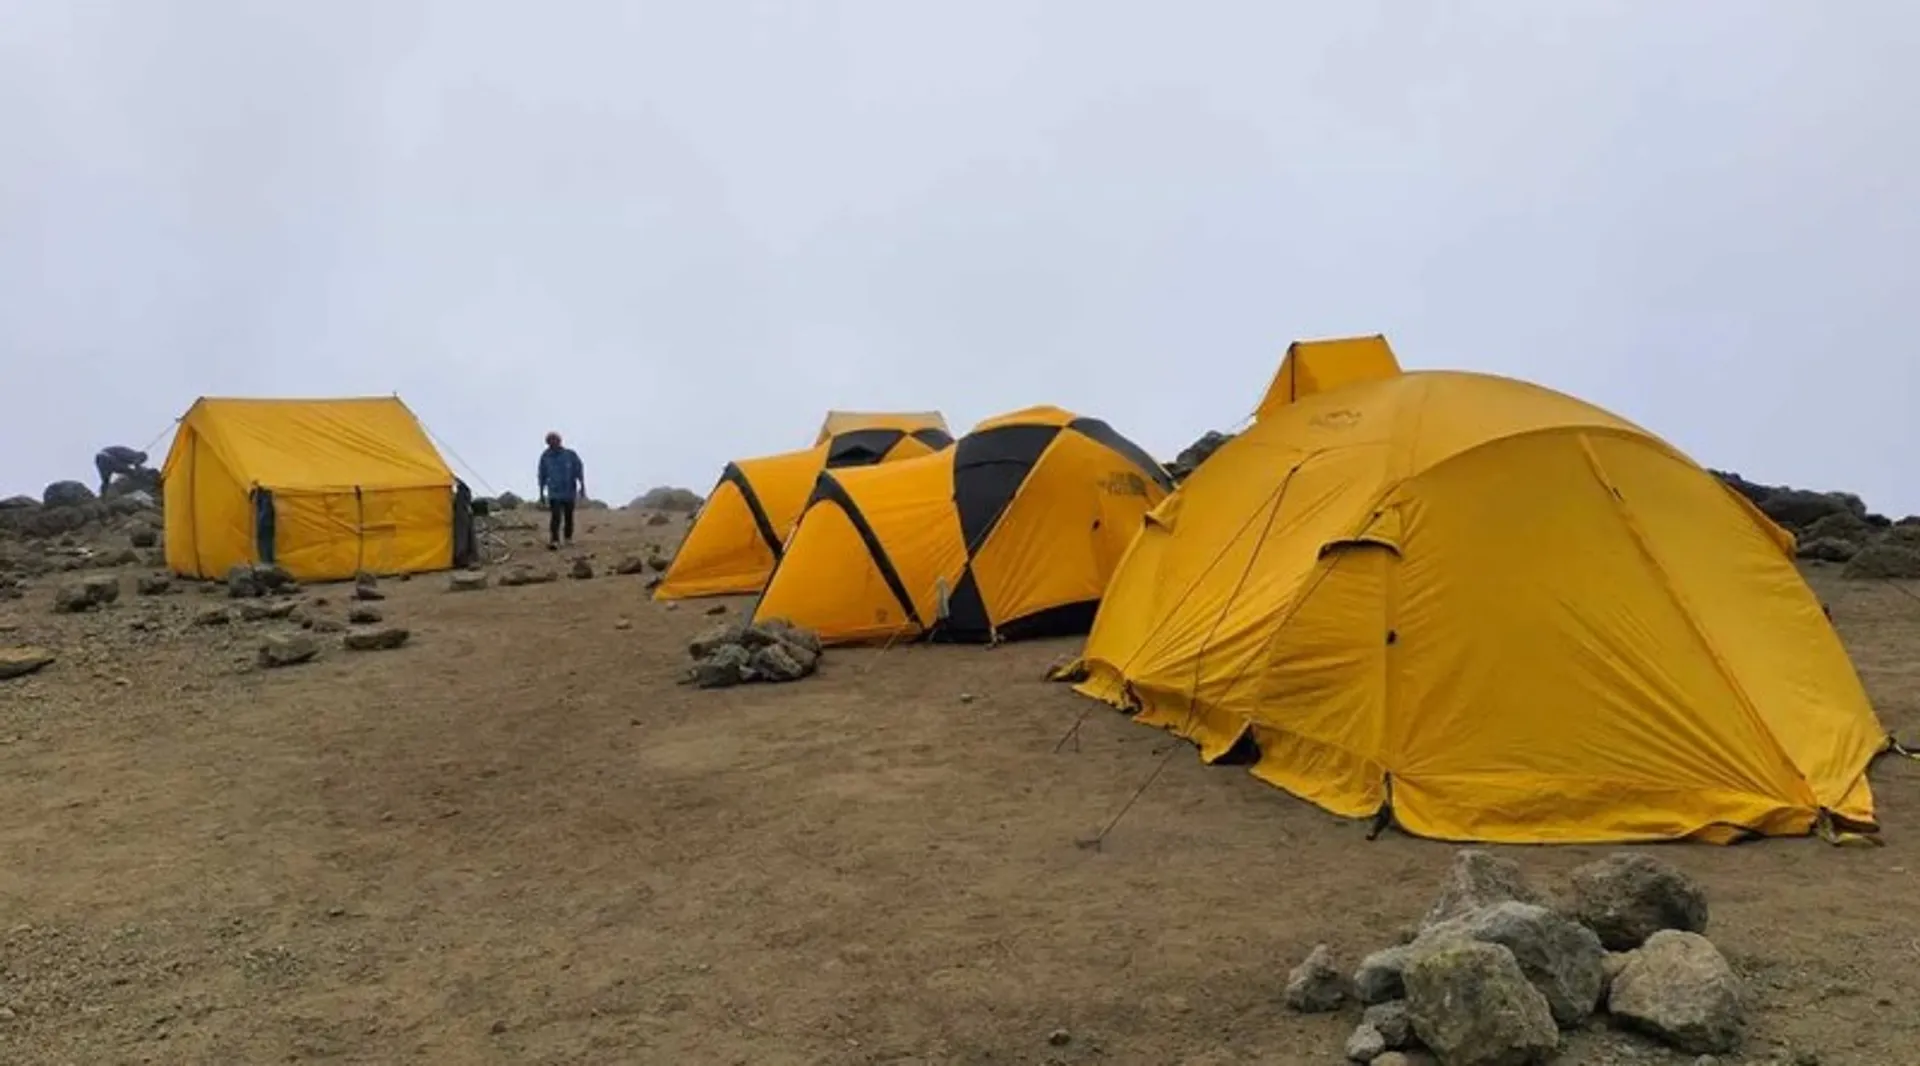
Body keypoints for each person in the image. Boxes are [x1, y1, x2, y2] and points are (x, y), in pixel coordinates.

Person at [536, 431, 586, 549]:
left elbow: (579, 470)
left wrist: (583, 486)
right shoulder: (545, 457)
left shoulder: (570, 454)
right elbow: (542, 475)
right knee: (556, 516)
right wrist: (541, 494)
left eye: (555, 440)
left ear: (560, 441)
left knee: (569, 516)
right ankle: (554, 540)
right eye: (550, 441)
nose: (553, 443)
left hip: (569, 491)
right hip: (554, 492)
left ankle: (568, 538)